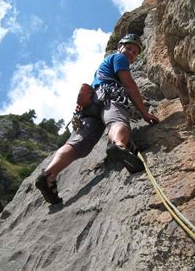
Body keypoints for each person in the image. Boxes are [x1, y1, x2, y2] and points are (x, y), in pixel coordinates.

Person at [35, 34, 160, 204]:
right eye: (129, 48)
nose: (131, 53)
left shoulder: (101, 67)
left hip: (92, 104)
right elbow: (129, 84)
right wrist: (145, 113)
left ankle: (49, 175)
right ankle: (118, 145)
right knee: (117, 120)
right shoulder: (118, 58)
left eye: (135, 52)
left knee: (79, 144)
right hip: (109, 95)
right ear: (120, 47)